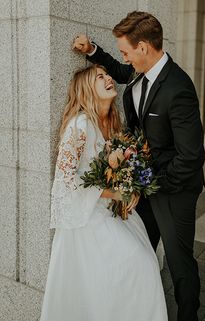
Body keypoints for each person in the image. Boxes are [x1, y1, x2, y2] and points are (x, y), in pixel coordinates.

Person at [72, 11, 205, 321]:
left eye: (126, 51)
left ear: (144, 47)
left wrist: (148, 184)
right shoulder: (138, 71)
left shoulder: (179, 89)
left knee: (179, 262)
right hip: (145, 183)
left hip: (175, 188)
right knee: (137, 248)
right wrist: (93, 51)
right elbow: (120, 71)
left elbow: (190, 158)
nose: (124, 58)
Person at [40, 64, 168, 321]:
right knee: (135, 264)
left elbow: (119, 170)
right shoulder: (79, 125)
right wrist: (115, 194)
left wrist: (130, 187)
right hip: (87, 217)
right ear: (87, 89)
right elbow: (65, 180)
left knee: (145, 262)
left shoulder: (112, 124)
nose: (109, 78)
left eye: (108, 75)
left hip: (113, 212)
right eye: (100, 77)